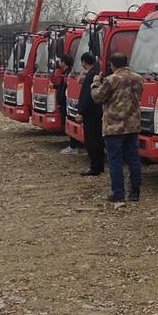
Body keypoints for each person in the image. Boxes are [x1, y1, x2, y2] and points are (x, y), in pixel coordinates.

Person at [91, 52, 143, 204]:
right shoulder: (138, 78)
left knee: (115, 161)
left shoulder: (111, 79)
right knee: (134, 159)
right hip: (132, 125)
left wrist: (95, 83)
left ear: (112, 65)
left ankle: (118, 193)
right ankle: (135, 192)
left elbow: (97, 97)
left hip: (114, 127)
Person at [77, 52, 104, 177]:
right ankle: (99, 165)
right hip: (98, 112)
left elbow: (88, 95)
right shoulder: (97, 71)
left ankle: (95, 167)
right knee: (98, 140)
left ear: (84, 62)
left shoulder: (92, 75)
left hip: (91, 113)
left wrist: (81, 111)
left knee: (92, 140)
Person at [54, 54, 80, 155]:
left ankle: (73, 146)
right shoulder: (64, 73)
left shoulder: (69, 74)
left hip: (68, 102)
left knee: (70, 121)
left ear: (64, 62)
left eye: (60, 61)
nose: (58, 63)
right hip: (64, 102)